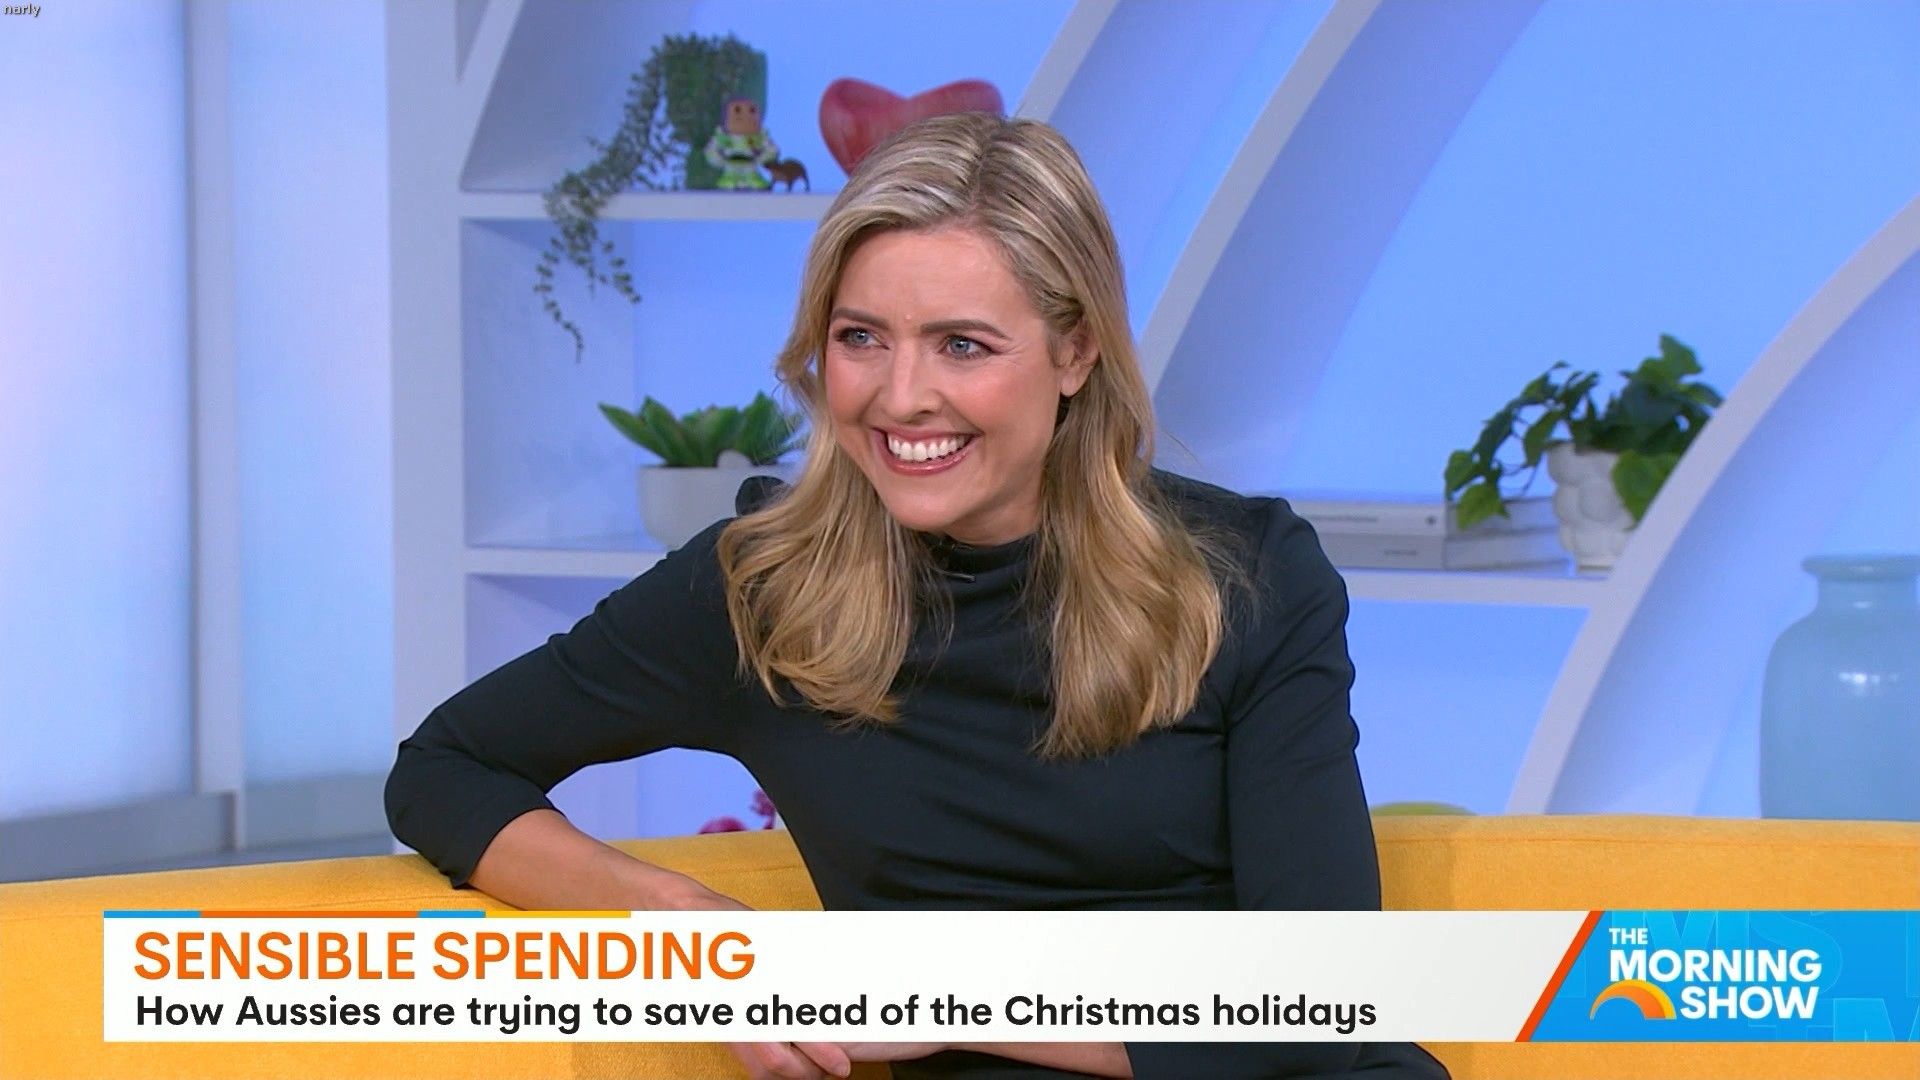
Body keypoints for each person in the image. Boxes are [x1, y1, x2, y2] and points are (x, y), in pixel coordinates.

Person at [386, 111, 1449, 1080]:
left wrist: (941, 992)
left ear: (1076, 351)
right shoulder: (763, 590)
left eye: (962, 345)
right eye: (861, 338)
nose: (901, 398)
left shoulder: (1247, 574)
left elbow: (1322, 997)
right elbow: (444, 769)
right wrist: (689, 923)